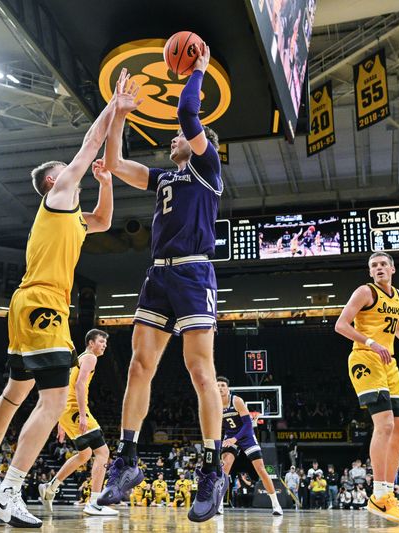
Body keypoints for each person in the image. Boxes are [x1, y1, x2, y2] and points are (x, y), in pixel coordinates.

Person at [0, 70, 133, 528]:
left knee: (15, 391)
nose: (73, 167)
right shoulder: (58, 197)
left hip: (29, 305)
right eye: (64, 168)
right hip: (44, 304)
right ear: (51, 182)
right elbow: (89, 142)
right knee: (51, 400)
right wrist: (114, 106)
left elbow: (102, 221)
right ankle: (9, 488)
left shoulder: (71, 217)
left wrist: (105, 181)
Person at [99, 41, 227, 524]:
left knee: (200, 371)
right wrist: (120, 113)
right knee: (138, 365)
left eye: (180, 136)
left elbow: (189, 112)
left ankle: (213, 469)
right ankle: (127, 460)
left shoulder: (207, 168)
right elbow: (114, 163)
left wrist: (199, 68)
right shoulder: (164, 178)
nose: (174, 137)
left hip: (194, 272)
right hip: (158, 275)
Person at [335, 251, 399, 525]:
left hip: (389, 362)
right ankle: (378, 495)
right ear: (370, 272)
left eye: (382, 264)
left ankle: (387, 496)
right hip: (365, 358)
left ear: (392, 269)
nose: (378, 268)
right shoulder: (364, 292)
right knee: (386, 425)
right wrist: (370, 343)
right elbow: (340, 325)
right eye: (373, 265)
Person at [39, 329, 118, 516]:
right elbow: (79, 385)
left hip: (66, 411)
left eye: (105, 342)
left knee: (85, 454)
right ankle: (95, 502)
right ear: (91, 343)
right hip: (75, 410)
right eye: (101, 341)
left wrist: (61, 420)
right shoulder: (90, 358)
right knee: (103, 452)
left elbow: (66, 385)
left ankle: (50, 487)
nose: (104, 345)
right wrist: (82, 415)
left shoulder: (78, 359)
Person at [216, 377, 282, 515]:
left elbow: (247, 425)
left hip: (246, 436)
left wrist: (235, 438)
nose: (220, 387)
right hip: (230, 436)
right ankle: (219, 504)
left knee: (261, 470)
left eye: (223, 385)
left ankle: (276, 505)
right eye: (218, 385)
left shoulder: (236, 401)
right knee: (225, 467)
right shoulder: (214, 404)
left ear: (227, 388)